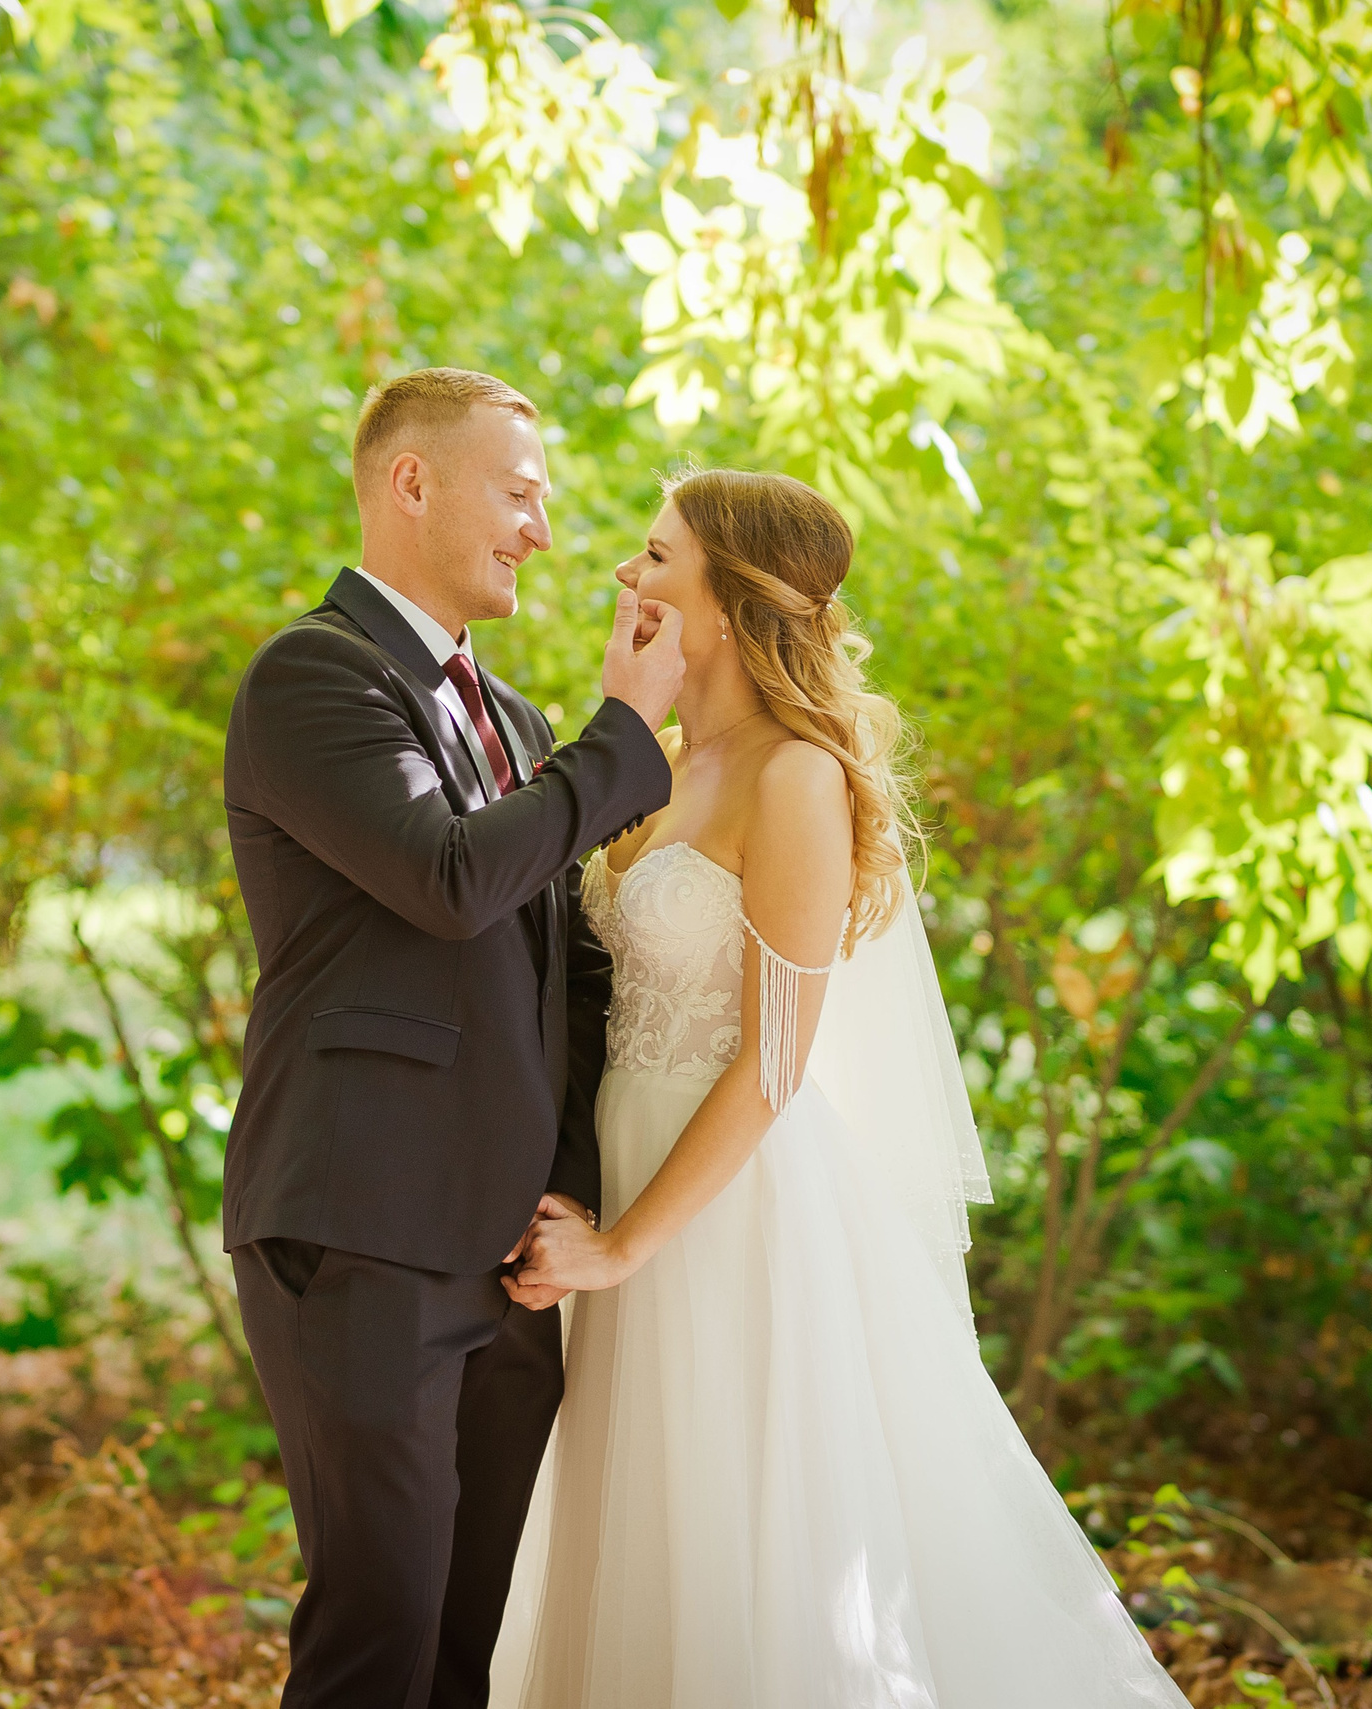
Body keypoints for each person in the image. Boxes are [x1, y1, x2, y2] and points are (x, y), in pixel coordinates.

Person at [493, 468, 1192, 1709]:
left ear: (728, 597)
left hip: (723, 1217)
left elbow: (773, 1060)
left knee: (737, 1542)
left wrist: (624, 1248)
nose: (624, 577)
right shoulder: (645, 764)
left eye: (655, 558)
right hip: (619, 1181)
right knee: (638, 1532)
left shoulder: (793, 777)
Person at [219, 367, 685, 1709]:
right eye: (520, 493)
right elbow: (448, 877)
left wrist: (579, 1194)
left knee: (470, 1652)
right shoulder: (314, 678)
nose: (543, 529)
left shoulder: (524, 728)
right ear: (411, 483)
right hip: (361, 1229)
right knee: (380, 1633)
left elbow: (566, 982)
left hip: (504, 1253)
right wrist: (626, 734)